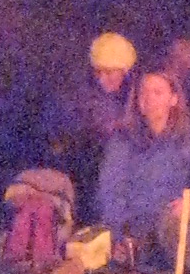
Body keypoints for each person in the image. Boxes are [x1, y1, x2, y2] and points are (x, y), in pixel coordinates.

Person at [95, 66, 190, 274]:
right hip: (145, 231)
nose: (149, 99)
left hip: (185, 224)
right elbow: (110, 193)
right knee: (169, 224)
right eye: (143, 93)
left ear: (173, 99)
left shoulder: (187, 141)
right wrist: (118, 236)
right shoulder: (123, 142)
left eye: (157, 92)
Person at [46, 30, 141, 181]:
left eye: (109, 72)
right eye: (97, 72)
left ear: (126, 72)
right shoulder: (79, 98)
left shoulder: (139, 96)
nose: (101, 79)